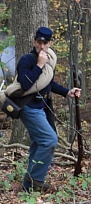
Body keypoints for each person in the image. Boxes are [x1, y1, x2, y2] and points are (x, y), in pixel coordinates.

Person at [16, 27, 81, 192]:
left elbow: (48, 83)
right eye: (39, 42)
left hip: (41, 108)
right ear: (34, 42)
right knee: (50, 140)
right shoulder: (27, 60)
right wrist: (39, 64)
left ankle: (28, 185)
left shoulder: (49, 61)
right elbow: (25, 83)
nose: (42, 46)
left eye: (45, 43)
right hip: (28, 106)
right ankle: (35, 180)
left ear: (50, 43)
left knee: (38, 143)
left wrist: (67, 92)